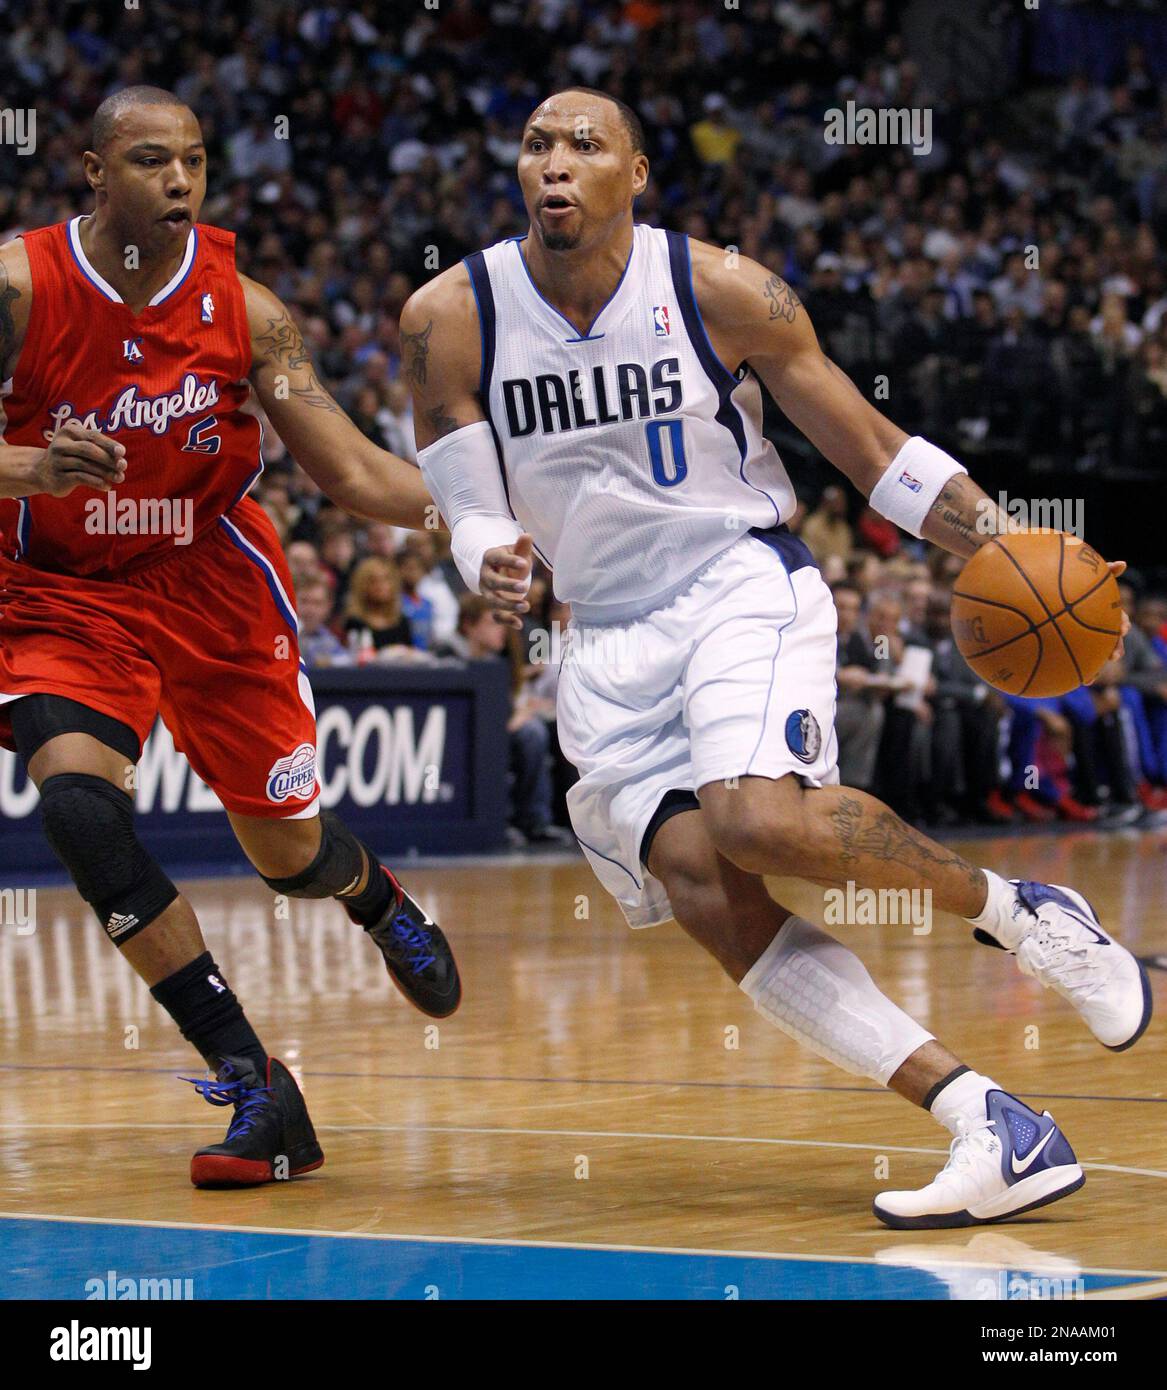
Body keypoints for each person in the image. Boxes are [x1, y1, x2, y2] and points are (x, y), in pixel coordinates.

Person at [401, 87, 1150, 1229]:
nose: (554, 164)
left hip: (735, 583)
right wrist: (489, 554)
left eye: (584, 146)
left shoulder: (724, 290)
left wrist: (1013, 542)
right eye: (536, 144)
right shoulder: (449, 317)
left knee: (756, 817)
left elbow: (878, 455)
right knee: (710, 888)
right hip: (601, 634)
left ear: (637, 173)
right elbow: (468, 508)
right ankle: (990, 1123)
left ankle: (1022, 908)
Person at [0, 87, 461, 1190]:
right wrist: (28, 468)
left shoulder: (245, 310)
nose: (177, 183)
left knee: (290, 860)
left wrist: (480, 517)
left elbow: (350, 472)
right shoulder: (17, 288)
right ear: (91, 170)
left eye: (194, 164)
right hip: (64, 591)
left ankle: (375, 898)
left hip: (212, 583)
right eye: (151, 161)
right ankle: (255, 1077)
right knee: (77, 808)